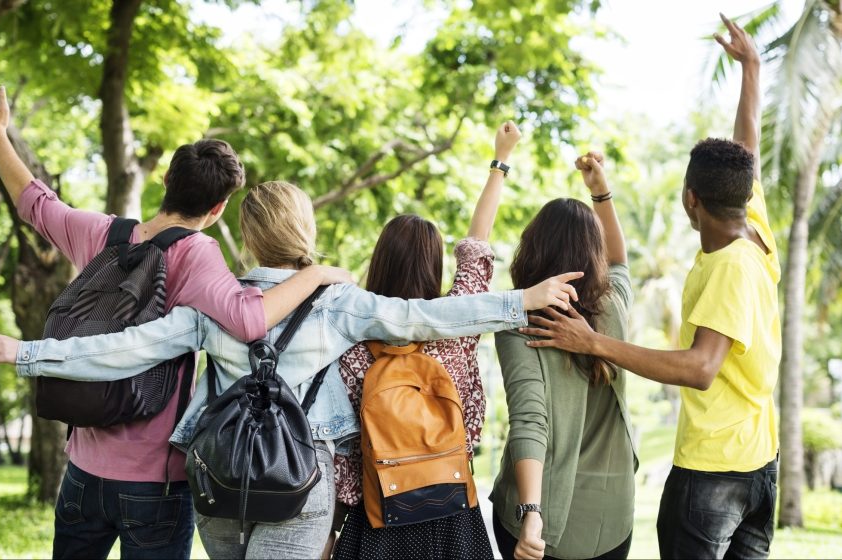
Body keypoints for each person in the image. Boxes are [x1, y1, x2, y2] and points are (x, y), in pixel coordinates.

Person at [0, 159, 582, 559]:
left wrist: (28, 354)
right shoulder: (338, 303)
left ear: (245, 237)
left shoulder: (211, 303)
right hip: (302, 483)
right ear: (307, 230)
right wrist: (519, 301)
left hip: (220, 481)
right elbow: (424, 317)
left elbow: (122, 349)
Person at [0, 86, 350, 559]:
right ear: (219, 207)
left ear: (165, 179)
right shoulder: (199, 255)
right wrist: (318, 274)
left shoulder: (103, 234)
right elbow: (249, 319)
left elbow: (35, 202)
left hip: (81, 472)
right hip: (153, 483)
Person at [519, 15, 780, 559]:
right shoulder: (752, 225)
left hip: (715, 474)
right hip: (761, 462)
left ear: (691, 200)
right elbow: (746, 146)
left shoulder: (731, 266)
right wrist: (752, 70)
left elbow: (700, 368)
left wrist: (592, 342)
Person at [332, 122, 523, 559]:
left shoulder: (352, 338)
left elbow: (344, 451)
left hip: (379, 514)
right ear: (433, 266)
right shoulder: (455, 328)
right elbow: (477, 247)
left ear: (379, 262)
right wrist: (501, 159)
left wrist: (333, 528)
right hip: (452, 510)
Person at [490, 151, 636, 560]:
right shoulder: (613, 306)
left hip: (541, 521)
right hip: (611, 521)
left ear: (532, 247)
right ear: (594, 252)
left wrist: (531, 513)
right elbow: (620, 261)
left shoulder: (521, 321)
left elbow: (529, 420)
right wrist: (601, 193)